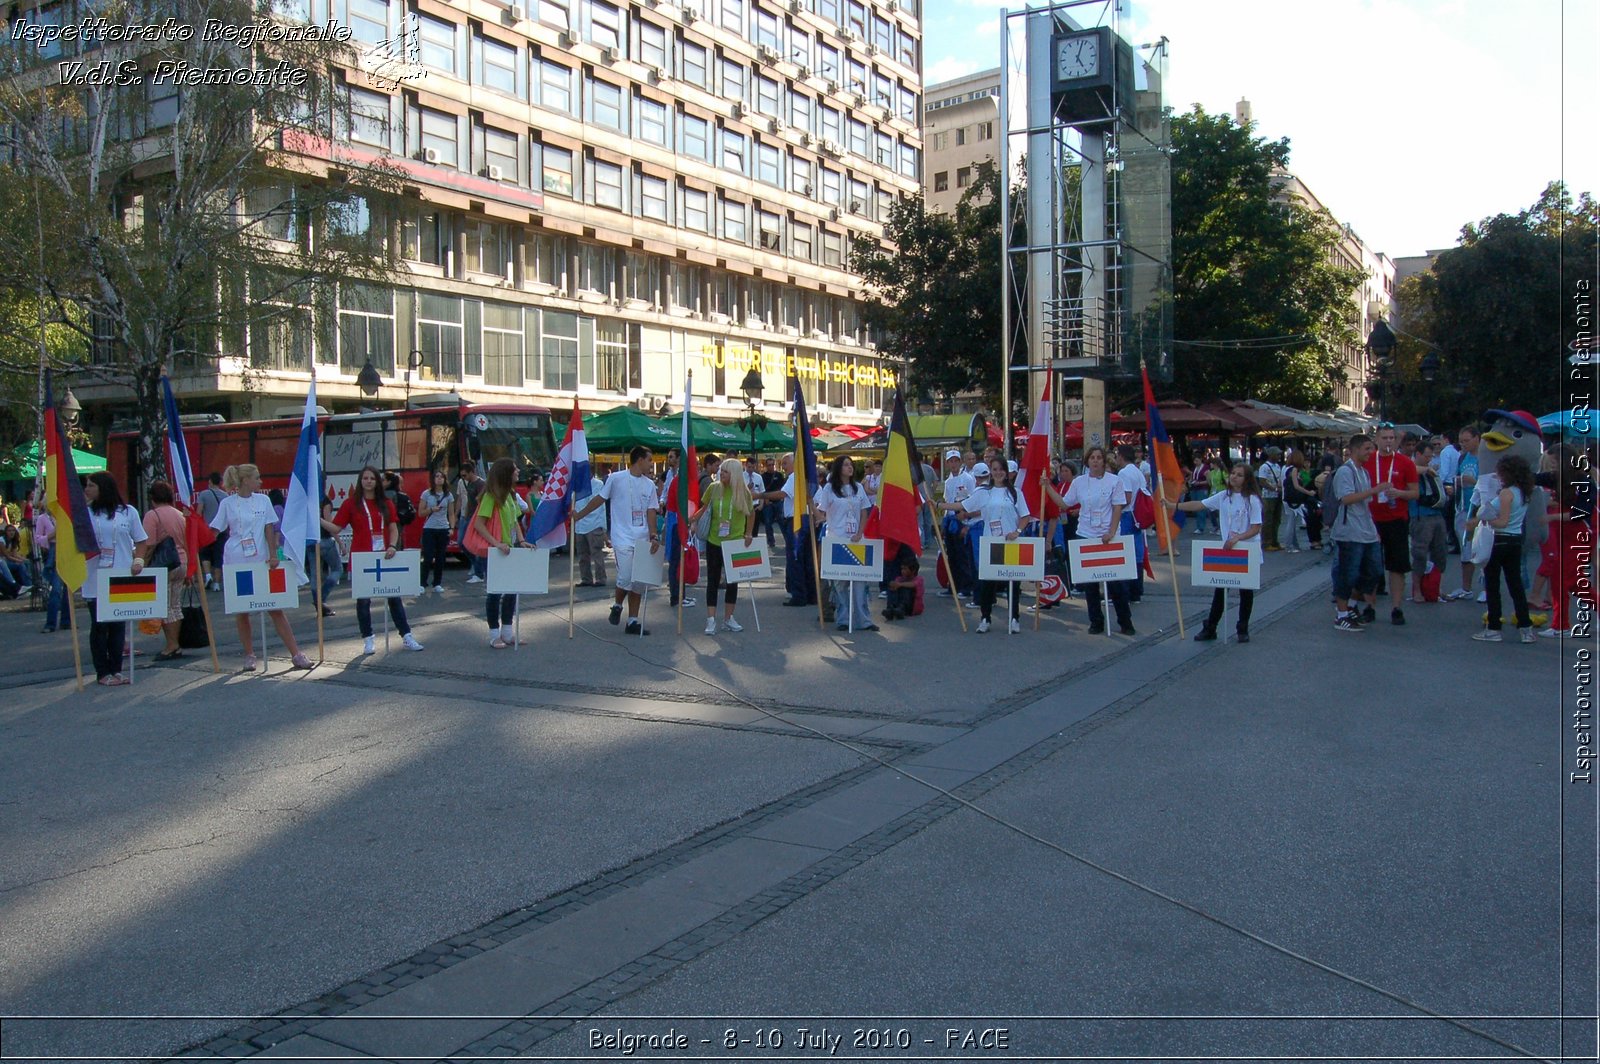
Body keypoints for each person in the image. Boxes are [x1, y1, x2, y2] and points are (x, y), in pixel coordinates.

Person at [210, 463, 313, 672]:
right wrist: (195, 535)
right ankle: (249, 654)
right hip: (237, 560)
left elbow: (269, 529)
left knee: (275, 608)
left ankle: (296, 653)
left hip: (262, 560)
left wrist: (274, 555)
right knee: (243, 610)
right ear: (245, 480)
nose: (261, 481)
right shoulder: (228, 504)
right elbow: (214, 530)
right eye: (257, 478)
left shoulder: (264, 501)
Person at [325, 466, 425, 655]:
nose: (369, 481)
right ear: (360, 481)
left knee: (394, 598)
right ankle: (368, 639)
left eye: (372, 478)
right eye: (365, 478)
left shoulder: (386, 503)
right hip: (363, 559)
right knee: (363, 601)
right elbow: (337, 528)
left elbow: (394, 528)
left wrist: (393, 546)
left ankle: (406, 636)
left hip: (385, 556)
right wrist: (317, 520)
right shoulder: (351, 504)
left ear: (377, 482)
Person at [1167, 464, 1263, 643]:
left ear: (1247, 479)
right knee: (1221, 589)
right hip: (1227, 551)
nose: (1234, 477)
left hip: (1246, 550)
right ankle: (1210, 627)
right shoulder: (1224, 496)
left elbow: (1256, 527)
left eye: (1239, 475)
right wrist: (1174, 505)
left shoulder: (1252, 499)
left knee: (1246, 592)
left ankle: (1243, 628)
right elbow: (1199, 504)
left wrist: (1238, 538)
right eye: (1233, 473)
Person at [1044, 446, 1134, 636]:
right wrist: (1048, 487)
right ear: (1087, 461)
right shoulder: (1079, 482)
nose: (1095, 461)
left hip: (1109, 536)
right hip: (1086, 534)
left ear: (1104, 461)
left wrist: (1111, 531)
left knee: (1116, 583)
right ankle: (1096, 621)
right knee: (1090, 584)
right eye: (1092, 458)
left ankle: (1125, 621)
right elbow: (1064, 503)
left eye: (1099, 458)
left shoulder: (1115, 481)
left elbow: (1118, 507)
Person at [575, 446, 662, 636]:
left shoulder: (649, 485)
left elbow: (651, 511)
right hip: (622, 536)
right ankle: (617, 604)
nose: (650, 464)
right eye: (649, 460)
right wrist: (579, 515)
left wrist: (654, 536)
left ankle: (632, 621)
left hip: (642, 537)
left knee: (638, 581)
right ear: (639, 460)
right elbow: (599, 499)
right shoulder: (616, 478)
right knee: (626, 576)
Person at [80, 473, 147, 684]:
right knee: (100, 625)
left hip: (120, 575)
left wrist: (139, 560)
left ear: (103, 487)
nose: (87, 489)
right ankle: (102, 672)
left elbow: (141, 540)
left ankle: (117, 669)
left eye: (91, 485)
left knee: (118, 624)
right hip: (95, 575)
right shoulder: (85, 514)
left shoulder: (127, 512)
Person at [954, 461, 1031, 634]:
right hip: (991, 543)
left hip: (1010, 544)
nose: (998, 473)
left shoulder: (1016, 492)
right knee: (988, 583)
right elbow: (962, 505)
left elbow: (1025, 516)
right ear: (991, 472)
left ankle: (1014, 618)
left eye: (1001, 470)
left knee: (1013, 582)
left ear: (1006, 472)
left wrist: (1017, 531)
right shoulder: (983, 492)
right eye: (994, 470)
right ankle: (985, 618)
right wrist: (937, 505)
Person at [1467, 453, 1536, 643]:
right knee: (1515, 585)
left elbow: (1502, 521)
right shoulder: (1525, 492)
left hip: (1499, 540)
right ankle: (1526, 627)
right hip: (1515, 540)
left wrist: (1484, 519)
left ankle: (1494, 627)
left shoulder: (1506, 493)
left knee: (1493, 584)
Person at [1327, 435, 1387, 633]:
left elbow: (1365, 505)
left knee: (1373, 571)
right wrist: (1374, 490)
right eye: (1367, 449)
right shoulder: (1345, 471)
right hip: (1349, 531)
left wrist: (1373, 529)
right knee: (1348, 573)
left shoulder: (1363, 472)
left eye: (1372, 448)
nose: (1371, 453)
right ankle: (1341, 613)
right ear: (1355, 450)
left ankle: (1352, 605)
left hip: (1366, 530)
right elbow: (1346, 498)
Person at [471, 457, 532, 648]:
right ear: (506, 473)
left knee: (512, 590)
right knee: (495, 593)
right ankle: (494, 634)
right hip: (496, 551)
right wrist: (496, 543)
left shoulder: (511, 495)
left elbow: (515, 522)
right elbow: (479, 524)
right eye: (515, 469)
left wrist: (521, 541)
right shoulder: (491, 496)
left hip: (510, 548)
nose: (518, 472)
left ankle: (507, 632)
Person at [692, 457, 755, 635]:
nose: (721, 473)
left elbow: (751, 514)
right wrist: (693, 521)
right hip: (714, 541)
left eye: (725, 471)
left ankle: (729, 618)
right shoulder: (713, 487)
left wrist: (748, 533)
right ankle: (711, 619)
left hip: (734, 543)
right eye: (721, 469)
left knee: (732, 582)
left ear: (733, 474)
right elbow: (704, 509)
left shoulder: (743, 492)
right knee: (712, 581)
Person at [813, 455, 875, 632]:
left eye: (851, 465)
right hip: (837, 539)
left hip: (856, 540)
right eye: (846, 465)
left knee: (860, 581)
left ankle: (864, 620)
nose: (850, 468)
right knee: (840, 583)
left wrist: (860, 532)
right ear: (839, 468)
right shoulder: (829, 489)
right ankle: (843, 619)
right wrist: (812, 507)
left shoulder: (858, 488)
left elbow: (864, 511)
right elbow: (822, 514)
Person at [1364, 424, 1419, 625]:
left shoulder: (1405, 463)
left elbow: (1415, 492)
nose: (1388, 441)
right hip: (1371, 520)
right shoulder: (1368, 461)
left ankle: (1396, 607)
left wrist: (1399, 493)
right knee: (1371, 564)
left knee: (1397, 566)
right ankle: (1370, 605)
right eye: (1384, 438)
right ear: (1376, 440)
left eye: (1391, 438)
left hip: (1397, 520)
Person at [140, 480, 190, 661]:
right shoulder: (179, 514)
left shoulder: (152, 516)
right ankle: (175, 644)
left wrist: (143, 564)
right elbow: (186, 541)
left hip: (163, 565)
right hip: (181, 562)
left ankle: (171, 645)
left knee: (164, 606)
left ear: (152, 497)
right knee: (175, 605)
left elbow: (149, 544)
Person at [761, 453, 817, 608]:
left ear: (794, 463)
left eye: (785, 463)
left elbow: (782, 494)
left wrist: (759, 495)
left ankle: (799, 594)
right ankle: (811, 593)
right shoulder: (803, 477)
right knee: (806, 558)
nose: (783, 467)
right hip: (805, 518)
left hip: (797, 520)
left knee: (796, 557)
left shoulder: (794, 477)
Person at [1409, 442, 1450, 603]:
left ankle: (1436, 587)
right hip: (1421, 516)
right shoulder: (1414, 467)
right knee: (1420, 553)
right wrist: (1426, 469)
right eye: (1426, 456)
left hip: (1437, 514)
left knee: (1440, 552)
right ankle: (1417, 589)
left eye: (1430, 457)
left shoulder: (1430, 470)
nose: (1428, 460)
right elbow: (1410, 470)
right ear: (1418, 454)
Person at [1111, 444, 1150, 602]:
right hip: (1137, 515)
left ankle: (1125, 592)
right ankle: (1136, 591)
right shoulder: (1137, 471)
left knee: (1125, 553)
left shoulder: (1124, 473)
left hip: (1127, 515)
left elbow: (1125, 498)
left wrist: (1114, 508)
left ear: (1120, 455)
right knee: (1137, 553)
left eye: (1116, 455)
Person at [938, 448, 978, 600]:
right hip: (950, 518)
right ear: (947, 464)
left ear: (960, 462)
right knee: (952, 555)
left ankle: (966, 586)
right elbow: (947, 502)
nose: (953, 464)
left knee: (963, 556)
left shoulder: (967, 478)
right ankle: (953, 585)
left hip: (963, 518)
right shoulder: (948, 481)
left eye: (956, 461)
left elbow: (973, 500)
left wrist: (967, 521)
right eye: (951, 461)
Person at [1447, 424, 1481, 600]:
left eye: (1466, 441)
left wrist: (1473, 481)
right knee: (1465, 548)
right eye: (1460, 441)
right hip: (1463, 506)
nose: (1463, 444)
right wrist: (1456, 485)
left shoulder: (1486, 458)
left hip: (1481, 509)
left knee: (1483, 550)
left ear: (1477, 438)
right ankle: (1466, 588)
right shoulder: (1462, 458)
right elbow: (1457, 477)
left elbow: (1492, 484)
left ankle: (1487, 589)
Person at [573, 460, 610, 587]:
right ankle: (586, 578)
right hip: (580, 524)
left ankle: (600, 578)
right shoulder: (577, 485)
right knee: (582, 554)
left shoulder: (598, 484)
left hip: (594, 523)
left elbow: (594, 504)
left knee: (596, 552)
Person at [418, 468, 454, 594]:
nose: (439, 478)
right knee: (427, 557)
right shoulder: (426, 494)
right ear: (433, 480)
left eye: (441, 477)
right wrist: (431, 509)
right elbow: (420, 512)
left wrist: (452, 528)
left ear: (444, 480)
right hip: (429, 528)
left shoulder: (448, 495)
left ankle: (437, 583)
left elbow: (451, 513)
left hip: (443, 528)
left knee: (440, 557)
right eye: (437, 476)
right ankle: (422, 583)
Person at [32, 491, 63, 632]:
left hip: (65, 550)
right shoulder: (43, 518)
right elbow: (38, 538)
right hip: (53, 551)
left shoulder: (63, 517)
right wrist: (51, 535)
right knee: (56, 589)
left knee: (68, 589)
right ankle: (50, 623)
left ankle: (66, 621)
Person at [1278, 449, 1315, 553]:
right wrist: (1308, 492)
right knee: (1291, 522)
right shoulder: (1294, 470)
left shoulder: (1285, 468)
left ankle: (1294, 544)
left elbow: (1280, 484)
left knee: (1291, 521)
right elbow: (1296, 486)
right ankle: (1289, 545)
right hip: (1293, 498)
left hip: (1285, 497)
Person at [456, 465, 488, 584]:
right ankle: (476, 566)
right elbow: (469, 501)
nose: (464, 478)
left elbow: (482, 502)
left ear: (471, 473)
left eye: (465, 475)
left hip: (475, 518)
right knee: (462, 542)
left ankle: (479, 572)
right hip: (468, 516)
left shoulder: (480, 484)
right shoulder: (469, 483)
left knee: (474, 545)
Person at [197, 471, 228, 590]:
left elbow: (199, 512)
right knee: (218, 556)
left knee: (205, 553)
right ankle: (217, 583)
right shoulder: (225, 496)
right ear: (220, 483)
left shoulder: (204, 494)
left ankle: (208, 575)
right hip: (221, 531)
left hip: (207, 530)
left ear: (210, 481)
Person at [1257, 446, 1284, 552]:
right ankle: (1266, 542)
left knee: (1276, 520)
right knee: (1268, 520)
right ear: (1271, 455)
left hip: (1277, 496)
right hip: (1268, 496)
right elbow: (1262, 481)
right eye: (1277, 454)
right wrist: (1274, 488)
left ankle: (1274, 541)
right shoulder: (1264, 467)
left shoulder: (1278, 466)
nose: (1279, 456)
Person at [884, 555, 924, 620]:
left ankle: (901, 608)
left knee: (906, 589)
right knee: (893, 589)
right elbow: (896, 584)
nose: (902, 571)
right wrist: (893, 584)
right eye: (902, 569)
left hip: (912, 606)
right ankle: (890, 608)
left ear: (913, 570)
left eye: (905, 569)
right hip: (898, 603)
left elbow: (913, 584)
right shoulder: (900, 578)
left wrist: (900, 585)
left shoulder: (919, 579)